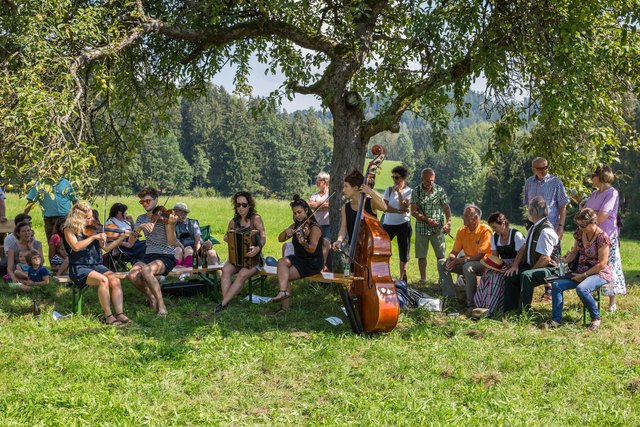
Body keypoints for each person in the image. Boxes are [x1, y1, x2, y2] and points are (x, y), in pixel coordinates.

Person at [63, 202, 132, 325]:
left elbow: (106, 248)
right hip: (79, 267)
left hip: (96, 265)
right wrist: (93, 238)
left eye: (92, 217)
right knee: (103, 280)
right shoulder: (69, 230)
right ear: (78, 218)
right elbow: (76, 247)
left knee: (115, 280)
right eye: (88, 218)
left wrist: (121, 238)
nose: (92, 220)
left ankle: (120, 314)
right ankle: (108, 316)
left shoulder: (94, 229)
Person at [547, 208, 612, 330]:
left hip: (598, 273)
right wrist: (561, 261)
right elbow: (574, 252)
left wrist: (584, 275)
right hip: (580, 271)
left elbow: (602, 264)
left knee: (582, 288)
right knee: (556, 284)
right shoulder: (580, 232)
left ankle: (596, 318)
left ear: (593, 222)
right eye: (579, 225)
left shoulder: (602, 237)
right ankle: (556, 320)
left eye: (583, 225)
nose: (580, 228)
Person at [522, 157, 569, 301]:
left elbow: (563, 205)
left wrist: (561, 226)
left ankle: (552, 289)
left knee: (553, 258)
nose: (543, 171)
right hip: (534, 225)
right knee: (535, 254)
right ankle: (535, 282)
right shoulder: (529, 182)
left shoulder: (555, 182)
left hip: (551, 226)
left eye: (545, 167)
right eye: (540, 168)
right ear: (533, 168)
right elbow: (526, 203)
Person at [126, 187, 177, 316]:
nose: (145, 204)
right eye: (142, 202)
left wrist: (171, 225)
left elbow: (171, 242)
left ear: (156, 200)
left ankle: (162, 306)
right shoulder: (141, 218)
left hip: (166, 255)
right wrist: (140, 227)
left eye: (148, 201)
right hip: (149, 255)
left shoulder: (165, 217)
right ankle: (152, 296)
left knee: (147, 270)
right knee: (132, 275)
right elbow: (131, 242)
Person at [504, 196, 559, 312]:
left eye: (529, 209)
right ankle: (509, 310)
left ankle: (522, 312)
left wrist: (530, 271)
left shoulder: (545, 230)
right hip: (535, 265)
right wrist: (514, 265)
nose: (528, 212)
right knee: (511, 274)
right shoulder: (533, 227)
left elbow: (545, 258)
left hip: (551, 269)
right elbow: (523, 247)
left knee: (526, 276)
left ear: (533, 211)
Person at [271, 196, 324, 313]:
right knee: (281, 261)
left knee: (285, 277)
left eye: (299, 212)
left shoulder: (314, 228)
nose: (297, 216)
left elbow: (311, 249)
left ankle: (284, 308)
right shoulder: (295, 226)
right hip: (300, 258)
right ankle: (283, 292)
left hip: (312, 261)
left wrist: (304, 243)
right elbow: (280, 239)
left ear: (306, 210)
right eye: (295, 213)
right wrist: (286, 232)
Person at [583, 165, 625, 312]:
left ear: (599, 176)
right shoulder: (594, 194)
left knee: (610, 267)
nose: (590, 179)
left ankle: (612, 302)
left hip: (607, 237)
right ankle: (593, 296)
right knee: (593, 266)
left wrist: (591, 214)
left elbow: (601, 216)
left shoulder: (612, 193)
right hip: (592, 236)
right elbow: (584, 213)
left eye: (592, 176)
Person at [216, 192, 266, 313]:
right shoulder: (233, 222)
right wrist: (227, 238)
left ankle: (223, 304)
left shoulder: (256, 219)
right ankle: (226, 301)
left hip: (254, 259)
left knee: (242, 274)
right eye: (238, 205)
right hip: (236, 259)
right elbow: (226, 236)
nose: (241, 208)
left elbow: (263, 238)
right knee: (225, 270)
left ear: (249, 205)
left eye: (244, 205)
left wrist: (257, 248)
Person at [437, 204, 492, 308]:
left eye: (466, 215)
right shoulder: (462, 231)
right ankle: (450, 298)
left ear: (475, 218)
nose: (463, 217)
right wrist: (451, 258)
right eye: (464, 215)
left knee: (468, 266)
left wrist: (461, 261)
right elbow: (454, 251)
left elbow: (481, 255)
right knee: (442, 263)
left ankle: (471, 303)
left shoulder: (485, 230)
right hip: (467, 262)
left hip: (483, 264)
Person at [472, 212, 525, 317]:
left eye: (495, 227)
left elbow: (522, 251)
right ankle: (480, 305)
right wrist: (496, 267)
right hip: (503, 264)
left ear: (503, 223)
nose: (493, 230)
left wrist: (514, 265)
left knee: (496, 278)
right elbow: (495, 256)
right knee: (487, 274)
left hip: (517, 263)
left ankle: (492, 307)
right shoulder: (495, 237)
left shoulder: (516, 234)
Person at [411, 168, 452, 284]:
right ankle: (423, 279)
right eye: (428, 181)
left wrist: (448, 223)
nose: (430, 183)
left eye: (432, 180)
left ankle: (442, 279)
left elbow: (446, 208)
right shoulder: (416, 191)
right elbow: (413, 211)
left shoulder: (439, 190)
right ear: (421, 179)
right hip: (422, 228)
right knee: (421, 255)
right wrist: (427, 219)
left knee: (441, 255)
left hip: (437, 228)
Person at [331, 169, 386, 254]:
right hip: (354, 251)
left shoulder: (370, 203)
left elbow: (384, 207)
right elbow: (343, 227)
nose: (343, 190)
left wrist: (370, 192)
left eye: (346, 186)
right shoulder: (345, 207)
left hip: (371, 250)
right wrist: (339, 240)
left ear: (355, 188)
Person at [382, 165, 412, 281]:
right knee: (382, 249)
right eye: (393, 177)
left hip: (403, 224)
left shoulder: (409, 191)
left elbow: (404, 206)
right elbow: (384, 207)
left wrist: (399, 193)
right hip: (388, 224)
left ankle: (402, 277)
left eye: (397, 177)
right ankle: (383, 273)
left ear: (403, 178)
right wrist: (398, 211)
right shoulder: (388, 190)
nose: (394, 180)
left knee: (404, 251)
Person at [24, 177, 78, 242]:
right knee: (52, 243)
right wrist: (24, 216)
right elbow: (31, 201)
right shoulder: (41, 184)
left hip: (65, 219)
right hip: (49, 220)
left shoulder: (65, 182)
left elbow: (74, 199)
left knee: (66, 243)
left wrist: (76, 216)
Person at [172, 202, 219, 267]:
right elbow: (173, 240)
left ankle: (187, 268)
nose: (174, 213)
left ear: (184, 213)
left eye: (177, 211)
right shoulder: (172, 225)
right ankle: (180, 270)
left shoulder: (192, 223)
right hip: (181, 248)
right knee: (182, 249)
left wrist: (196, 253)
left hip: (196, 248)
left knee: (207, 246)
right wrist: (173, 224)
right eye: (174, 211)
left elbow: (198, 240)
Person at [6, 221, 45, 286]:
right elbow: (9, 268)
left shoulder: (37, 244)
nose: (27, 233)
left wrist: (32, 248)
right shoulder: (13, 247)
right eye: (23, 231)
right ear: (18, 234)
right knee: (20, 285)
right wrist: (13, 277)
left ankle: (31, 284)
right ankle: (26, 285)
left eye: (28, 230)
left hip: (35, 272)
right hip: (19, 274)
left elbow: (41, 261)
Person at [308, 172, 331, 239]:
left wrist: (316, 205)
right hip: (316, 224)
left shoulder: (329, 193)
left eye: (320, 180)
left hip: (327, 224)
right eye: (317, 180)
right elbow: (311, 205)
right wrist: (322, 203)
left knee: (327, 241)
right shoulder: (314, 195)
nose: (317, 182)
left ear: (326, 181)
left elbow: (329, 206)